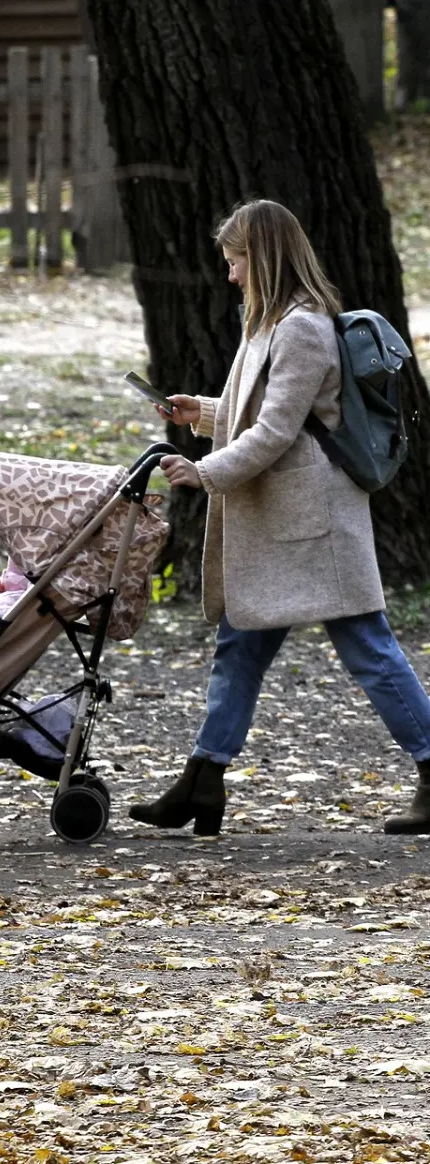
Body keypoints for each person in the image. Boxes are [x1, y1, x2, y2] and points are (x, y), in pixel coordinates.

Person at [130, 198, 430, 836]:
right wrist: (202, 414)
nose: (231, 274)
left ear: (261, 256)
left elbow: (274, 433)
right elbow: (261, 415)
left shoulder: (302, 326)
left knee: (370, 649)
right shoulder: (267, 321)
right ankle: (204, 778)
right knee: (239, 642)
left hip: (312, 521)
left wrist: (203, 471)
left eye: (236, 260)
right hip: (281, 521)